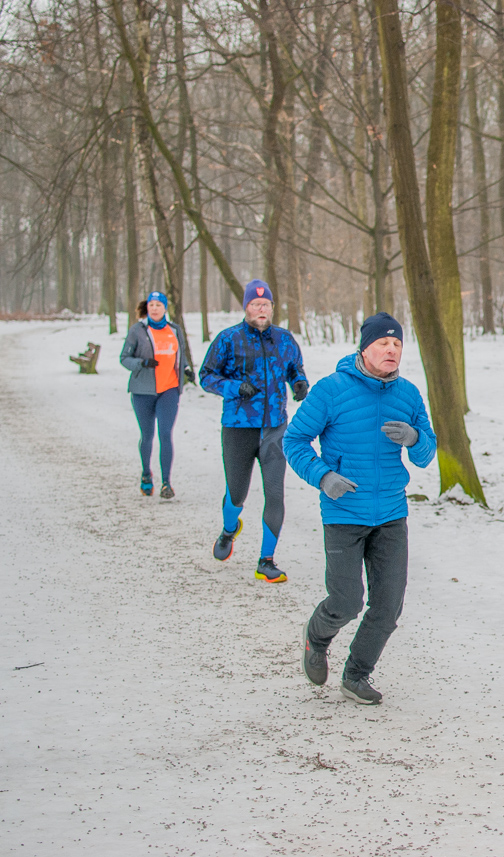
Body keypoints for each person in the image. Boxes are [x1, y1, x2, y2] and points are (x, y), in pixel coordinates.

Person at [284, 312, 437, 705]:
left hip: (390, 512)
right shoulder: (331, 390)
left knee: (388, 607)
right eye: (383, 343)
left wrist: (415, 436)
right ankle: (316, 638)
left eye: (398, 344)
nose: (391, 349)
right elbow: (295, 440)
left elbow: (426, 455)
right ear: (364, 348)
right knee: (347, 601)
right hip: (343, 513)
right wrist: (323, 477)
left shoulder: (408, 395)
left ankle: (356, 674)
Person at [199, 280, 308, 583]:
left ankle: (267, 560)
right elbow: (205, 376)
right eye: (255, 304)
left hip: (275, 428)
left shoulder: (284, 339)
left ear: (272, 308)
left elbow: (295, 368)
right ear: (246, 307)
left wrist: (299, 383)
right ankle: (229, 529)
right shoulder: (228, 339)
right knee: (237, 493)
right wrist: (234, 388)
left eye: (266, 305)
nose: (261, 309)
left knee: (274, 494)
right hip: (238, 428)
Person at [119, 291, 194, 499]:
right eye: (151, 305)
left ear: (165, 308)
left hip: (169, 389)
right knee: (148, 435)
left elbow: (181, 355)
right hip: (142, 391)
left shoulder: (175, 330)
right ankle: (145, 473)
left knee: (165, 434)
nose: (154, 308)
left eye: (158, 305)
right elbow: (124, 358)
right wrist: (141, 364)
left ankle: (166, 483)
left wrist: (187, 369)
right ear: (147, 308)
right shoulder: (138, 331)